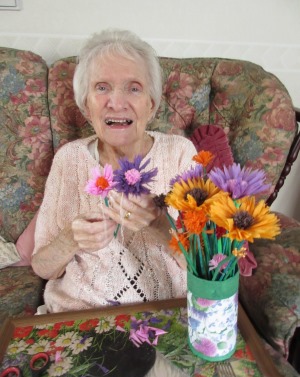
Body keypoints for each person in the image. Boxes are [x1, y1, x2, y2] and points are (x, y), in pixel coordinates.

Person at [32, 29, 197, 313]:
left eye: (133, 88)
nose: (117, 102)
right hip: (80, 315)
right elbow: (43, 267)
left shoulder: (181, 154)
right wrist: (70, 238)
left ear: (151, 104)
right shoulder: (69, 159)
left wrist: (159, 225)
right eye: (102, 87)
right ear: (86, 105)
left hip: (166, 314)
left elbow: (205, 265)